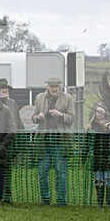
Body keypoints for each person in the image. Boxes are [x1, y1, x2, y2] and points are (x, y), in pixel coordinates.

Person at [31, 77, 75, 206]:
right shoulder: (39, 98)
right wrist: (38, 117)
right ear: (47, 87)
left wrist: (60, 115)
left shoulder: (68, 98)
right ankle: (45, 200)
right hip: (43, 142)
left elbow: (71, 119)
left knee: (61, 172)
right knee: (42, 172)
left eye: (56, 86)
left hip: (60, 142)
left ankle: (61, 201)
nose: (54, 88)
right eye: (51, 86)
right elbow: (33, 118)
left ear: (60, 87)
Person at [0, 78, 24, 203]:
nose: (5, 90)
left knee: (7, 170)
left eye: (6, 89)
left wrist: (23, 136)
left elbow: (19, 122)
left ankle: (7, 195)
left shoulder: (13, 103)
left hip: (10, 143)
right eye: (2, 88)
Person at [86, 103, 110, 208]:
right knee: (98, 179)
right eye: (98, 111)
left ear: (106, 113)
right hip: (97, 156)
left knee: (109, 179)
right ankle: (100, 204)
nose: (99, 114)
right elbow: (87, 140)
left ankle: (108, 204)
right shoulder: (92, 125)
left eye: (102, 111)